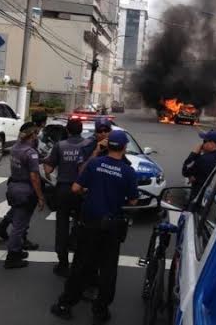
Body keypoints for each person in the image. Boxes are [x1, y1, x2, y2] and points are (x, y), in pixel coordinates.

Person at [51, 130, 138, 324]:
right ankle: (100, 310)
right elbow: (132, 201)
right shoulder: (128, 171)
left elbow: (75, 188)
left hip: (89, 223)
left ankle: (65, 304)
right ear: (124, 148)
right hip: (112, 227)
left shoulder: (95, 164)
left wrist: (90, 189)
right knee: (108, 270)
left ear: (107, 145)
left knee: (81, 264)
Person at [0, 111, 47, 249]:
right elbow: (33, 166)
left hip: (16, 181)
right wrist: (40, 196)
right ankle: (18, 244)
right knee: (21, 217)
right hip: (25, 182)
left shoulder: (22, 136)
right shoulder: (32, 139)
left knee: (18, 210)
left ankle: (3, 228)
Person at [44, 119, 86, 278]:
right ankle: (79, 260)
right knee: (82, 224)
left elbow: (48, 169)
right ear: (81, 130)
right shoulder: (88, 145)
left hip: (63, 189)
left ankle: (63, 263)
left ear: (67, 131)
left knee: (61, 225)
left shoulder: (59, 146)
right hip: (82, 190)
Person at [4, 122, 45, 269]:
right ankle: (12, 256)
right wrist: (40, 197)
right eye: (36, 134)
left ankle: (17, 250)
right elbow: (34, 177)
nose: (37, 136)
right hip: (25, 190)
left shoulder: (15, 148)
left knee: (17, 222)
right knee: (19, 226)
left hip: (14, 187)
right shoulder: (30, 152)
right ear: (32, 135)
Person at [182, 129, 216, 198]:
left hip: (198, 197)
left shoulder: (203, 159)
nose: (202, 144)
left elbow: (185, 171)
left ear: (212, 144)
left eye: (205, 141)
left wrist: (194, 153)